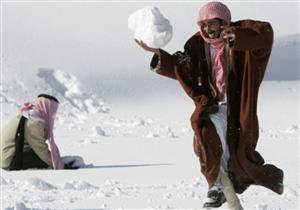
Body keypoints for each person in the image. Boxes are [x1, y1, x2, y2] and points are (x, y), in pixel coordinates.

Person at [135, 1, 283, 209]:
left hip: (238, 106)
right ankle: (217, 186)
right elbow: (182, 66)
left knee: (238, 154)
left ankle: (253, 181)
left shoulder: (240, 38)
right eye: (203, 24)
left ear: (223, 22)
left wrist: (239, 38)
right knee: (206, 131)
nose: (207, 29)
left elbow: (265, 36)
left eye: (211, 23)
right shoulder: (197, 44)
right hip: (213, 106)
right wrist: (158, 54)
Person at [0, 94, 77, 170]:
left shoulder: (28, 114)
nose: (53, 114)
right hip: (8, 160)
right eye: (52, 110)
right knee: (43, 161)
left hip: (6, 155)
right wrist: (59, 166)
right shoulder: (34, 121)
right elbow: (40, 149)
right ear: (47, 108)